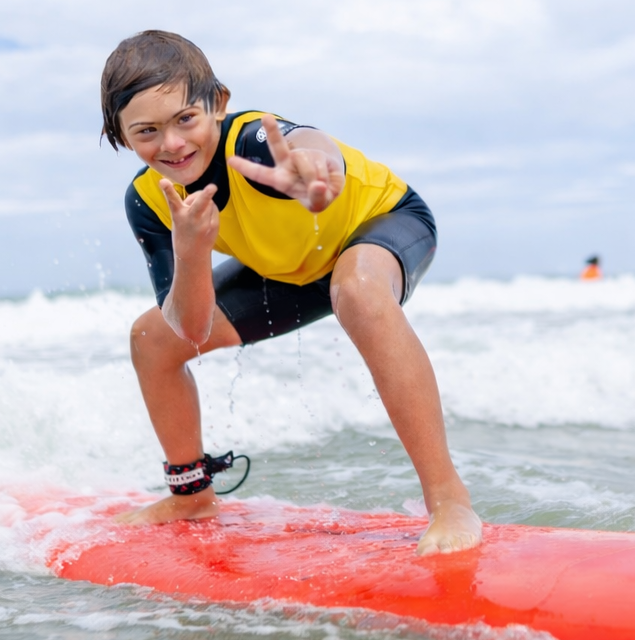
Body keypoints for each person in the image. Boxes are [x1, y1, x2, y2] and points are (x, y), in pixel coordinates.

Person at [102, 30, 481, 556]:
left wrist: (313, 169)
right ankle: (191, 496)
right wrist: (191, 250)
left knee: (359, 289)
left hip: (379, 225)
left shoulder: (252, 141)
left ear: (219, 103)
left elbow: (308, 143)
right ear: (121, 137)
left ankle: (449, 501)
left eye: (185, 119)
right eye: (146, 131)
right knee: (151, 337)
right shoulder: (148, 201)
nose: (171, 143)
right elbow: (189, 330)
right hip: (292, 272)